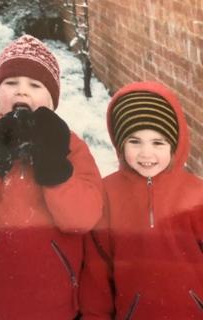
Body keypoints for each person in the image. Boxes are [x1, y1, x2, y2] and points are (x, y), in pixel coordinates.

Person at [0, 34, 104, 319]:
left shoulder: (68, 145)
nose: (21, 92)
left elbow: (83, 218)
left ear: (52, 100)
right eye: (10, 83)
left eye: (35, 85)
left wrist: (55, 169)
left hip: (55, 297)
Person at [79, 81, 203, 319]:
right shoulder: (107, 194)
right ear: (119, 143)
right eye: (134, 141)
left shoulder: (197, 195)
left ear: (175, 144)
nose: (146, 153)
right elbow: (97, 272)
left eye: (158, 142)